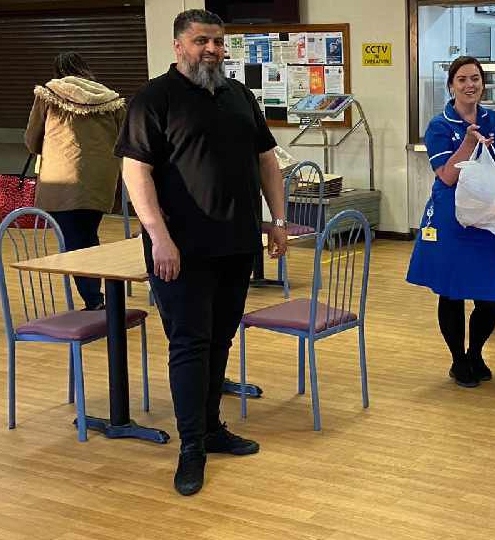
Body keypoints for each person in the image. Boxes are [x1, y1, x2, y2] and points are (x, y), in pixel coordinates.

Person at [114, 9, 288, 496]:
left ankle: (211, 428)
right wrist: (159, 236)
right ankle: (191, 447)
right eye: (201, 41)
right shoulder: (155, 99)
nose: (212, 49)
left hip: (236, 244)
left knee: (219, 341)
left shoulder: (238, 95)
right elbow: (136, 174)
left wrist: (276, 221)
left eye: (217, 41)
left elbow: (267, 162)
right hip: (180, 251)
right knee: (190, 345)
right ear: (178, 46)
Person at [407, 56, 495, 388]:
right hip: (451, 219)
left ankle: (476, 353)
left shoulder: (493, 119)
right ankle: (458, 359)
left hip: (487, 218)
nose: (470, 85)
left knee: (489, 295)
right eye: (462, 79)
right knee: (451, 294)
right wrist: (467, 143)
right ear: (451, 85)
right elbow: (447, 176)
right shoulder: (439, 125)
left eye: (475, 79)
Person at [24, 52, 126, 311]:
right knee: (88, 235)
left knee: (73, 241)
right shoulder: (110, 99)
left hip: (62, 182)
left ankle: (94, 300)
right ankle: (100, 296)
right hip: (100, 181)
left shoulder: (49, 94)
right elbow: (124, 140)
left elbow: (31, 140)